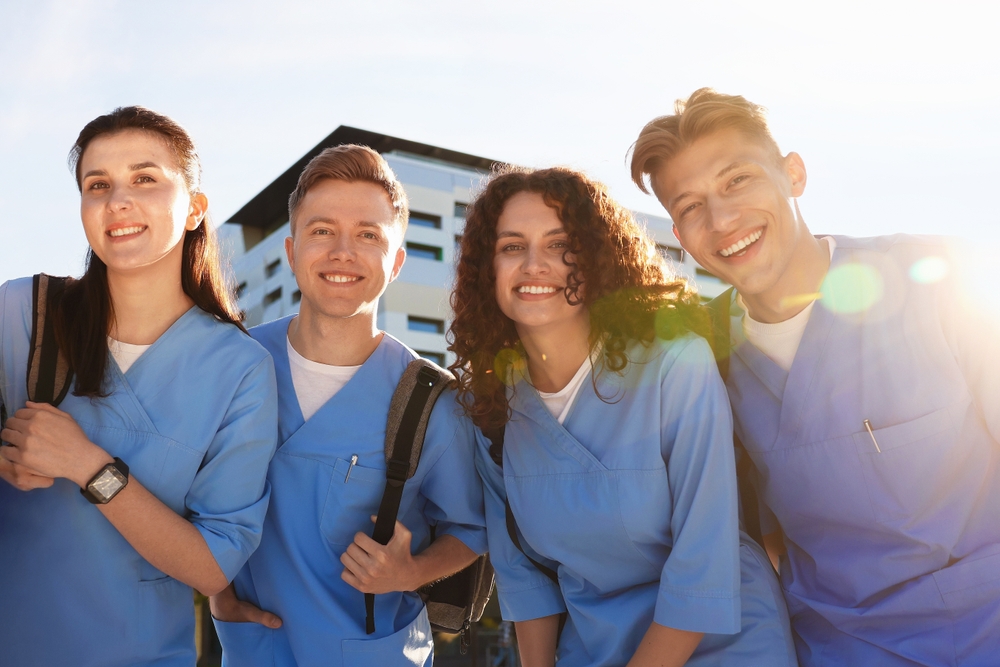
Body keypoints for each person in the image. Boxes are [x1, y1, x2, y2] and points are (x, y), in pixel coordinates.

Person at [630, 88, 1000, 667]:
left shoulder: (942, 282)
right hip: (830, 646)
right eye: (690, 207)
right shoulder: (702, 356)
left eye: (736, 181)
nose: (722, 220)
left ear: (793, 175)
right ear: (679, 236)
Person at [449, 166, 796, 667]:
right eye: (510, 246)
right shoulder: (492, 407)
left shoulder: (676, 363)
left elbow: (705, 560)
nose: (534, 265)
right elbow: (522, 575)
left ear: (596, 258)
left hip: (727, 645)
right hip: (591, 650)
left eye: (559, 243)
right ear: (487, 268)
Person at [0, 107, 278, 666]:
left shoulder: (240, 367)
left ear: (195, 208)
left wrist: (89, 467)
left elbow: (213, 565)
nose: (116, 201)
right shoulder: (21, 315)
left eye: (144, 178)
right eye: (96, 185)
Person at [209, 144, 488, 666]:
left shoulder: (429, 401)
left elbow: (471, 529)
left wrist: (411, 573)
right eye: (321, 231)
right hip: (255, 652)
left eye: (368, 235)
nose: (343, 252)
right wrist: (217, 594)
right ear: (291, 252)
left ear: (396, 261)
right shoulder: (233, 363)